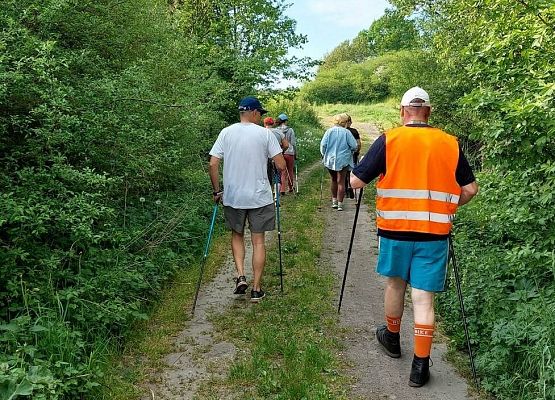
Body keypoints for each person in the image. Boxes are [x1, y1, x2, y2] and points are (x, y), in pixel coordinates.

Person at [350, 87, 479, 387]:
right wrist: (447, 205)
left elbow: (357, 180)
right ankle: (420, 366)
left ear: (402, 111)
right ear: (428, 112)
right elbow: (470, 189)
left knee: (395, 284)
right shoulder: (449, 143)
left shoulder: (390, 139)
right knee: (423, 299)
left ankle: (392, 339)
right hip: (434, 233)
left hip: (395, 231)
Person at [209, 96, 286, 302]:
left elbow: (213, 164)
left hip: (233, 196)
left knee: (237, 235)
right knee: (258, 241)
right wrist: (277, 169)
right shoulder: (265, 134)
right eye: (260, 113)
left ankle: (241, 275)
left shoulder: (226, 133)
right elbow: (280, 164)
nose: (261, 116)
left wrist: (217, 191)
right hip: (259, 197)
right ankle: (256, 288)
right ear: (252, 112)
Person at [320, 113, 358, 211]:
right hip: (343, 159)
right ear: (344, 122)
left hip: (330, 159)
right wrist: (352, 151)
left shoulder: (329, 131)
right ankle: (340, 204)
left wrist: (324, 154)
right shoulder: (346, 132)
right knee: (341, 181)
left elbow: (323, 145)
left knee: (333, 179)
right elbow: (354, 146)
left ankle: (334, 202)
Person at [275, 113, 296, 195]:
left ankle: (282, 189)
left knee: (282, 171)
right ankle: (290, 187)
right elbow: (293, 143)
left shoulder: (276, 130)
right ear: (285, 121)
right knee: (290, 170)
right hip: (290, 152)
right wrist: (295, 153)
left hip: (280, 152)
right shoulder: (290, 130)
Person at [264, 116, 289, 184]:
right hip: (276, 156)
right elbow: (286, 145)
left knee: (267, 176)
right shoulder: (279, 132)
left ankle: (269, 192)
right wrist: (281, 151)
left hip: (265, 158)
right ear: (273, 124)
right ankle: (276, 192)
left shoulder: (261, 132)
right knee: (277, 175)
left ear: (264, 124)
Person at [345, 114, 361, 199]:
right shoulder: (354, 131)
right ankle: (350, 186)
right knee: (351, 171)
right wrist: (357, 151)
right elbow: (358, 144)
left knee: (342, 172)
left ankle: (345, 189)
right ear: (350, 122)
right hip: (352, 154)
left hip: (343, 155)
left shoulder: (341, 131)